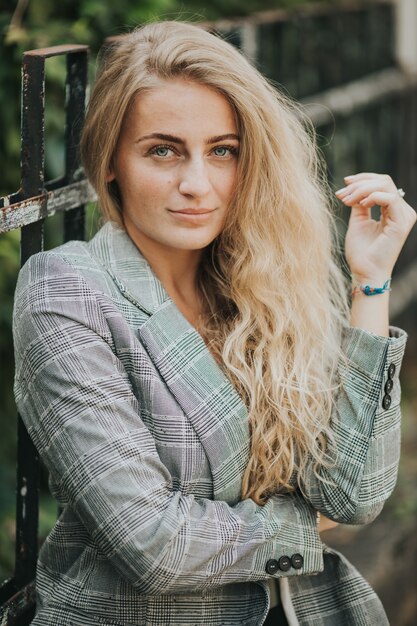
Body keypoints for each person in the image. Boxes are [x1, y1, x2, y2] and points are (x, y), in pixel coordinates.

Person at [12, 20, 416, 626]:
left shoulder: (263, 282)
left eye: (222, 151)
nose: (197, 185)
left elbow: (353, 495)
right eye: (163, 150)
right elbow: (153, 545)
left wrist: (370, 282)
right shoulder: (68, 290)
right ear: (111, 161)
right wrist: (303, 526)